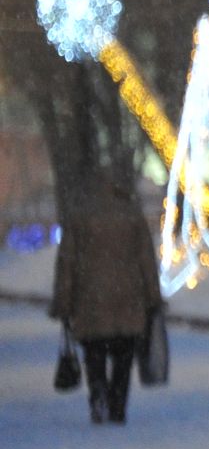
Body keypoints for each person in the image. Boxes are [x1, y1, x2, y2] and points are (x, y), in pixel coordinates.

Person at [49, 175, 163, 426]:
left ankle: (98, 394)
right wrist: (153, 297)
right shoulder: (132, 216)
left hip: (90, 300)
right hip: (127, 298)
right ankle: (118, 405)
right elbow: (146, 261)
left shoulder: (80, 216)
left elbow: (67, 263)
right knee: (124, 356)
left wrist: (63, 302)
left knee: (95, 353)